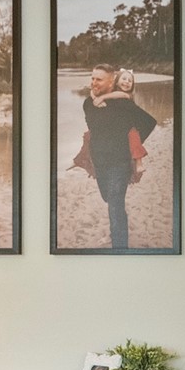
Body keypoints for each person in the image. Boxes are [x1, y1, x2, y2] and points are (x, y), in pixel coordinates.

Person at [77, 63, 157, 249]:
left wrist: (132, 142)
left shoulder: (123, 104)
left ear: (111, 81)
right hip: (99, 162)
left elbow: (149, 122)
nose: (94, 82)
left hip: (119, 163)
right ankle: (119, 227)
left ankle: (120, 249)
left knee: (114, 205)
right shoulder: (88, 103)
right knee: (108, 198)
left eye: (99, 79)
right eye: (92, 78)